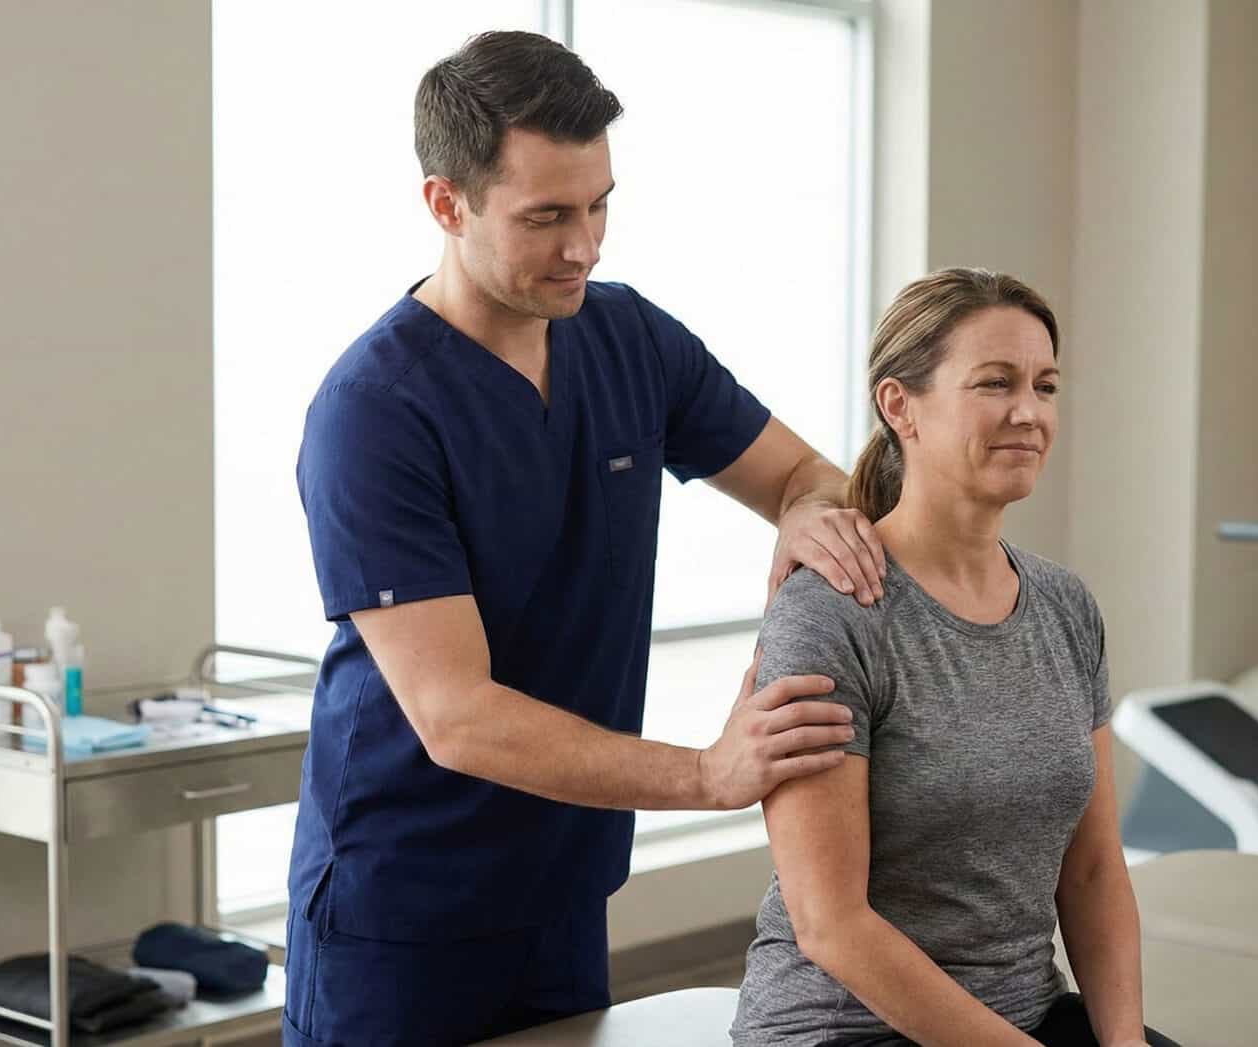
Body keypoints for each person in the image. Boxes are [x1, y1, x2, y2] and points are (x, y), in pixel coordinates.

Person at [284, 30, 885, 1047]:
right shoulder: (374, 410)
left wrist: (810, 525)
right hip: (405, 910)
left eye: (600, 204)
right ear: (447, 204)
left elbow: (802, 476)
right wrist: (704, 773)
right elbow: (457, 718)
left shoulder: (630, 339)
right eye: (547, 216)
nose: (586, 245)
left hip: (563, 887)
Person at [730, 269, 1179, 1047]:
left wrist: (1126, 1044)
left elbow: (1095, 870)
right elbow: (832, 925)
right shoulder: (834, 611)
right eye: (994, 383)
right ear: (899, 404)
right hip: (844, 1031)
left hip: (1022, 1012)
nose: (1028, 412)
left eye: (1045, 385)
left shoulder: (1065, 606)